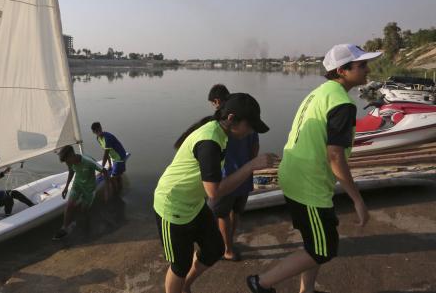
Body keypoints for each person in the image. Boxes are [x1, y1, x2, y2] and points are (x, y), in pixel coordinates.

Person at [246, 44, 379, 293]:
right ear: (343, 70)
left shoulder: (320, 93)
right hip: (308, 183)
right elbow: (335, 155)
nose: (367, 69)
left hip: (297, 174)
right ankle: (260, 284)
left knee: (314, 244)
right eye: (362, 65)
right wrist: (357, 199)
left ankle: (306, 290)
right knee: (323, 249)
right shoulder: (341, 103)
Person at [154, 93, 277, 293]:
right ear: (231, 119)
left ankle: (185, 286)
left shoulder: (222, 132)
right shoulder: (210, 140)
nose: (251, 130)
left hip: (193, 204)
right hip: (172, 206)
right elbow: (214, 191)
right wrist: (250, 166)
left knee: (214, 249)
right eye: (250, 125)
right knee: (180, 266)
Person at [207, 84, 259, 261]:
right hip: (244, 176)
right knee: (235, 212)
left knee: (221, 214)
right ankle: (229, 241)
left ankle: (227, 249)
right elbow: (255, 148)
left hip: (227, 178)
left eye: (213, 104)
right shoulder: (246, 118)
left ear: (217, 101)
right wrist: (250, 166)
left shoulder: (222, 126)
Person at [53, 145, 108, 240]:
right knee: (69, 205)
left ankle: (86, 227)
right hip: (77, 185)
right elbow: (71, 172)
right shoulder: (69, 162)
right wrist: (66, 187)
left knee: (84, 210)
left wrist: (107, 189)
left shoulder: (88, 161)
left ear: (72, 155)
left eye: (67, 161)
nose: (67, 163)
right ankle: (65, 228)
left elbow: (105, 171)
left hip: (89, 188)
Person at [91, 122, 127, 198]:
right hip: (114, 158)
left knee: (112, 178)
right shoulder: (98, 138)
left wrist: (101, 169)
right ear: (94, 132)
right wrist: (110, 164)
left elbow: (106, 154)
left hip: (119, 157)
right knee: (117, 175)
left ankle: (117, 194)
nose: (99, 132)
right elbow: (106, 151)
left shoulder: (107, 137)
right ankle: (119, 190)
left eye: (99, 129)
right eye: (97, 131)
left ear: (101, 128)